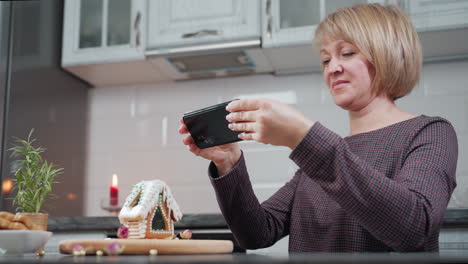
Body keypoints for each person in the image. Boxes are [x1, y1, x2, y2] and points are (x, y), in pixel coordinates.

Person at [178, 3, 458, 252]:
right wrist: (229, 163)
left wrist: (303, 137)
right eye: (326, 60)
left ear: (389, 55)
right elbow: (257, 233)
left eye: (347, 53)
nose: (332, 68)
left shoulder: (430, 132)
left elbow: (414, 227)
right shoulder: (320, 157)